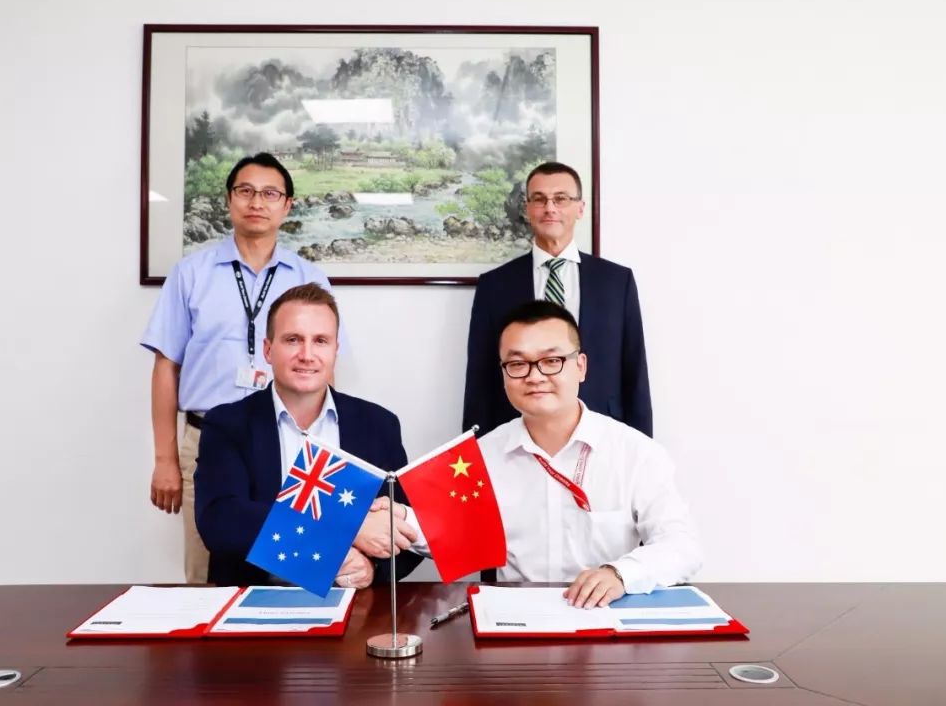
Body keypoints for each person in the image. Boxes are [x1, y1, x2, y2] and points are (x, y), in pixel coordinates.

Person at [398, 300, 700, 608]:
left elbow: (682, 545)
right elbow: (448, 532)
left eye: (552, 360)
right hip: (515, 617)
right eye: (518, 364)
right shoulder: (481, 455)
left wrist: (620, 574)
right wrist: (399, 519)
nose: (535, 376)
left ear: (580, 366)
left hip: (605, 614)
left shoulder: (635, 452)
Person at [140, 153, 346, 583]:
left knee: (301, 570)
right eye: (245, 191)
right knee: (209, 576)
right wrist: (165, 460)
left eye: (270, 193)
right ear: (229, 200)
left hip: (292, 442)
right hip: (208, 441)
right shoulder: (191, 274)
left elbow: (322, 367)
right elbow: (166, 366)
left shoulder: (308, 278)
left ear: (287, 205)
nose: (257, 202)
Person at [193, 284, 422, 587]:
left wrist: (372, 569)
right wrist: (346, 529)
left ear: (335, 350)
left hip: (351, 600)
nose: (307, 355)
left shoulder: (378, 424)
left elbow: (407, 527)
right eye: (293, 340)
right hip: (256, 598)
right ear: (268, 349)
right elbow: (221, 522)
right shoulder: (227, 424)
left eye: (320, 341)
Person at [463, 162, 652, 438]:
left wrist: (641, 444)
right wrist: (473, 450)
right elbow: (480, 377)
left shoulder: (615, 281)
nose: (549, 208)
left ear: (580, 208)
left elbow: (634, 370)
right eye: (539, 199)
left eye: (561, 199)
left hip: (603, 431)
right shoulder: (495, 285)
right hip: (516, 434)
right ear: (527, 209)